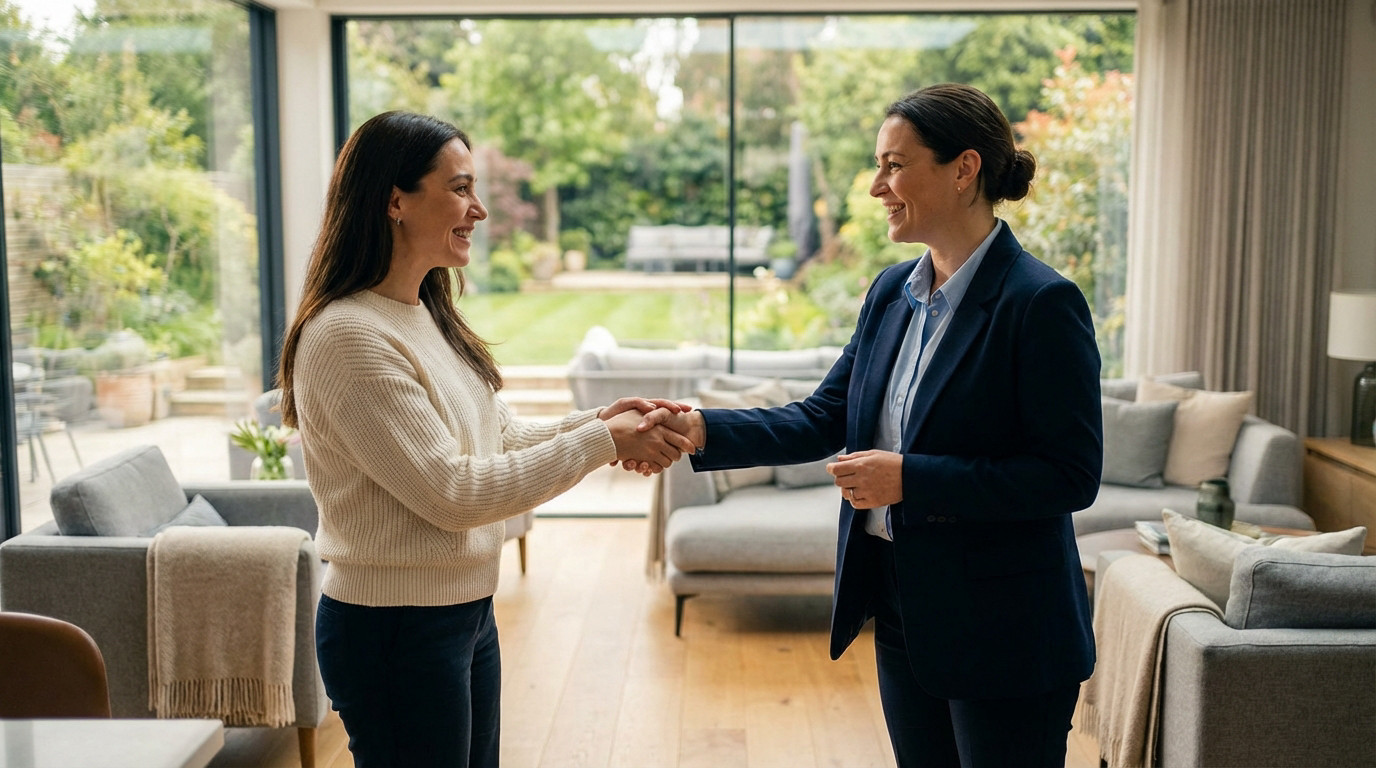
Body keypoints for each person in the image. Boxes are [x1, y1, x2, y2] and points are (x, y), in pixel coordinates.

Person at [638, 84, 1103, 767]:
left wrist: (910, 479)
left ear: (964, 168)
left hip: (1006, 630)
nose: (877, 186)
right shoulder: (893, 292)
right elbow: (825, 415)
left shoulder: (1041, 303)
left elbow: (1067, 476)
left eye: (893, 164)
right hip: (900, 601)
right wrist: (700, 428)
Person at [276, 110, 695, 767]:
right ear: (394, 200)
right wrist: (604, 444)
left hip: (461, 610)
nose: (479, 211)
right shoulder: (348, 335)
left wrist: (601, 422)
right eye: (461, 188)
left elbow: (497, 436)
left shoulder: (427, 314)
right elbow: (452, 492)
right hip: (395, 628)